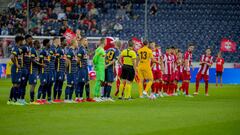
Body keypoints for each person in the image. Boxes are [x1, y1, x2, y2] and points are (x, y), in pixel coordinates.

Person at [76, 37, 96, 102]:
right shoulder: (81, 49)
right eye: (85, 40)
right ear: (82, 42)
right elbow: (78, 60)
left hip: (85, 68)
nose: (87, 42)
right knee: (81, 83)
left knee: (87, 82)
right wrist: (78, 67)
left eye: (87, 40)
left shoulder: (84, 49)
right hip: (81, 68)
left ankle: (87, 97)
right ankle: (79, 98)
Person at [7, 35, 24, 105]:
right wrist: (16, 64)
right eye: (22, 41)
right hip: (16, 69)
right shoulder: (16, 48)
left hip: (18, 69)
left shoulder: (18, 48)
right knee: (16, 84)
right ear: (20, 41)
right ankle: (15, 100)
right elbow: (11, 57)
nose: (23, 42)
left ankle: (10, 100)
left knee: (17, 84)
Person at [28, 40, 43, 105]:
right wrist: (40, 64)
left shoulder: (37, 51)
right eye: (39, 43)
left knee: (34, 84)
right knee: (32, 85)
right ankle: (31, 100)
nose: (40, 45)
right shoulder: (33, 50)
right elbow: (32, 60)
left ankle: (32, 100)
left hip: (35, 70)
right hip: (32, 70)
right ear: (35, 44)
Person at [19, 34, 32, 104]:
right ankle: (19, 98)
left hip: (27, 68)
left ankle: (22, 98)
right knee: (22, 84)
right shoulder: (24, 47)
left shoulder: (29, 47)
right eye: (30, 39)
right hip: (24, 68)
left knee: (25, 84)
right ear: (26, 39)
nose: (31, 40)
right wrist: (20, 64)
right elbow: (18, 54)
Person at [37, 39, 50, 104]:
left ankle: (44, 99)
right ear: (46, 43)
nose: (50, 44)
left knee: (46, 85)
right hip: (43, 70)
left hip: (47, 70)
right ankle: (38, 99)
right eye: (49, 43)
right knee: (42, 84)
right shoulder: (42, 51)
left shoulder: (47, 51)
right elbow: (40, 61)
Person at [53, 37, 66, 103]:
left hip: (62, 70)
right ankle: (55, 98)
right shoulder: (58, 50)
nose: (66, 42)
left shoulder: (64, 49)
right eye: (65, 41)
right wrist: (56, 69)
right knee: (57, 83)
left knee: (61, 84)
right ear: (62, 42)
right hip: (58, 70)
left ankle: (58, 98)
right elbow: (55, 60)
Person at [47, 37, 60, 102]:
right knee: (49, 83)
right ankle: (48, 98)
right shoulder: (52, 49)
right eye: (59, 40)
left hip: (53, 68)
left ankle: (49, 98)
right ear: (56, 41)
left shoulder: (55, 49)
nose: (60, 42)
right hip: (50, 68)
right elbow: (49, 59)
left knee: (51, 83)